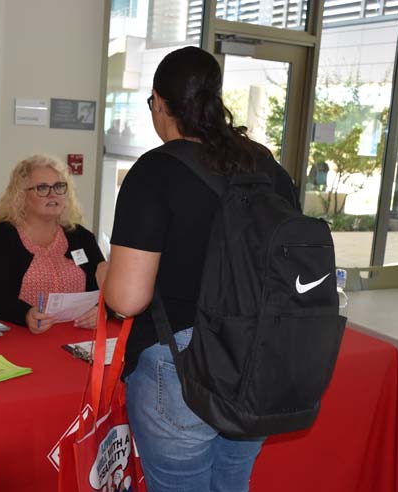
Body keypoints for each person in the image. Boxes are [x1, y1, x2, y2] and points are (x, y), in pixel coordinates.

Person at [96, 47, 300, 492]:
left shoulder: (154, 173)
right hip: (259, 356)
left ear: (161, 103)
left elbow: (126, 298)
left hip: (183, 364)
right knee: (232, 482)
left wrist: (103, 276)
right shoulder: (267, 167)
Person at [0, 154, 104, 333]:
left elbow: (108, 288)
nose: (53, 194)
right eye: (42, 188)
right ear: (21, 195)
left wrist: (102, 312)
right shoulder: (1, 235)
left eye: (59, 187)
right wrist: (25, 314)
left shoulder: (81, 236)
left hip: (74, 334)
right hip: (15, 334)